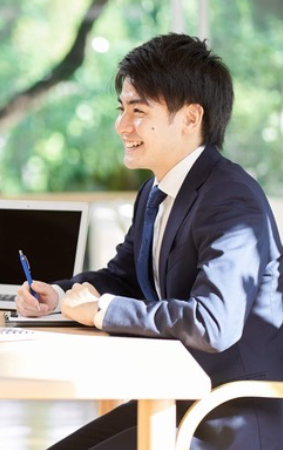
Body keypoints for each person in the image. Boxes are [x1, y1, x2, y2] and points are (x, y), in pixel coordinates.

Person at [15, 33, 283, 449]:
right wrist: (57, 294)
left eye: (138, 111)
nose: (122, 125)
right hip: (180, 396)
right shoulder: (156, 192)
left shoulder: (230, 198)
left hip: (232, 417)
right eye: (122, 109)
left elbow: (214, 324)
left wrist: (102, 312)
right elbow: (123, 276)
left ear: (191, 118)